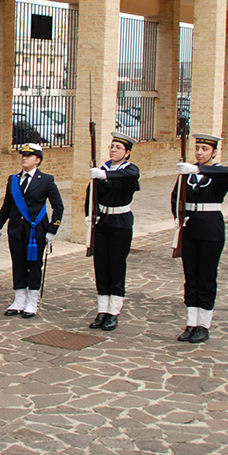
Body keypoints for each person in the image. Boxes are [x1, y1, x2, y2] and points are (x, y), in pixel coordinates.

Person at [0, 142, 64, 318]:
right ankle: (19, 300)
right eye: (23, 155)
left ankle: (32, 301)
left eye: (29, 156)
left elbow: (58, 206)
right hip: (16, 230)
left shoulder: (46, 180)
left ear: (38, 160)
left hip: (35, 231)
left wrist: (53, 229)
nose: (24, 158)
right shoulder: (13, 180)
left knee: (34, 265)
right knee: (19, 264)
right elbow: (7, 205)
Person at [171, 133, 228, 344]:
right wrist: (178, 217)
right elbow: (175, 196)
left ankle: (203, 324)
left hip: (210, 230)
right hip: (190, 229)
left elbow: (227, 173)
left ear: (214, 152)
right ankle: (191, 322)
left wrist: (197, 169)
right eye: (197, 148)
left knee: (206, 277)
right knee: (191, 277)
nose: (199, 152)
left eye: (205, 149)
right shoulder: (186, 175)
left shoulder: (218, 173)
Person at [86, 132, 140, 332]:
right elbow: (90, 193)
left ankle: (114, 312)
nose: (113, 150)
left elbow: (131, 177)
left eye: (118, 147)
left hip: (120, 222)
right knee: (101, 266)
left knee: (116, 266)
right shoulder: (103, 169)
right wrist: (89, 214)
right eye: (112, 146)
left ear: (127, 153)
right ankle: (102, 310)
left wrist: (105, 175)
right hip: (103, 221)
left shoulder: (129, 170)